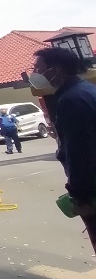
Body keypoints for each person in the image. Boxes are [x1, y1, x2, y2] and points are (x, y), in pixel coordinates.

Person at [31, 47, 96, 251]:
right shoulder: (87, 90)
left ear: (55, 70)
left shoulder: (71, 100)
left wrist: (79, 194)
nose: (35, 74)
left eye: (38, 68)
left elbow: (79, 151)